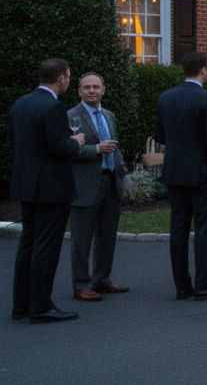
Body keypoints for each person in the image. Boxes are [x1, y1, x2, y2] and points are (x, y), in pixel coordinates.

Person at [10, 58, 85, 323]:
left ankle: (21, 304)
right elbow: (58, 147)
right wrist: (75, 142)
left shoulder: (21, 103)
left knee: (28, 242)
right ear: (61, 78)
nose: (68, 81)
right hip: (51, 186)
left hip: (26, 183)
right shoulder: (53, 107)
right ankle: (41, 306)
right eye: (69, 76)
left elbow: (17, 142)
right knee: (46, 246)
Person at [155, 51, 207, 302]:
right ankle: (204, 284)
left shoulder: (165, 97)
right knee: (204, 227)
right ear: (203, 70)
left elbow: (160, 136)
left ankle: (182, 285)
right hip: (202, 172)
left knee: (178, 228)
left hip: (174, 170)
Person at [68, 73, 130, 303]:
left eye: (96, 87)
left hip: (111, 182)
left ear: (103, 90)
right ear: (79, 91)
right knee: (81, 239)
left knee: (107, 236)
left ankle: (102, 280)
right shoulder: (70, 117)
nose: (91, 91)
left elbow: (115, 148)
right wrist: (96, 149)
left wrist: (124, 175)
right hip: (84, 185)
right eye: (87, 87)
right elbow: (66, 150)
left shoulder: (109, 116)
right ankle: (81, 285)